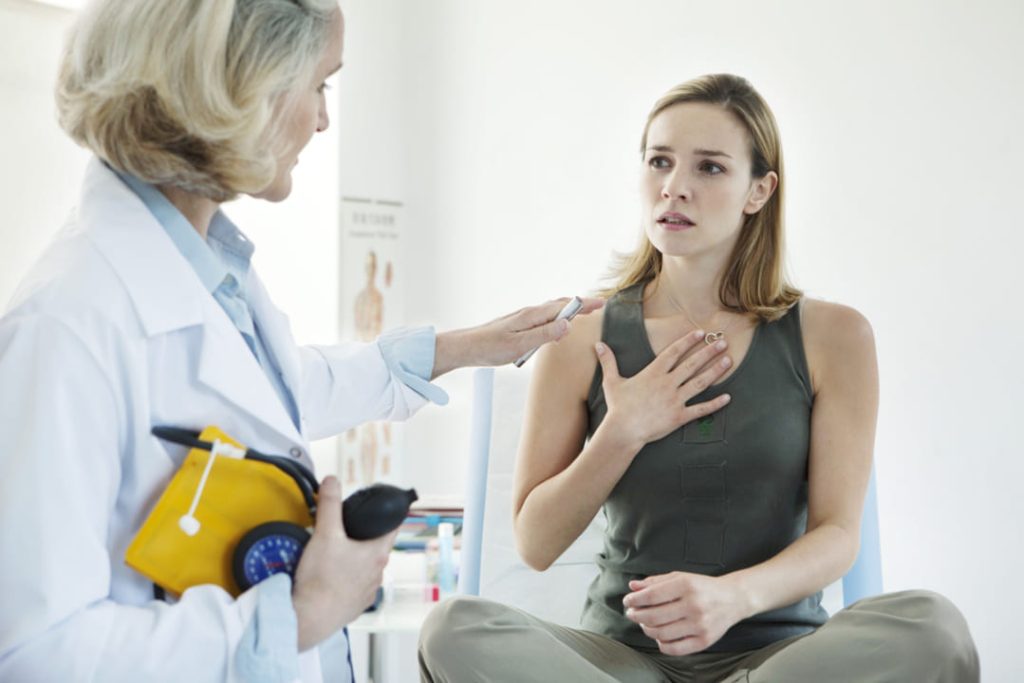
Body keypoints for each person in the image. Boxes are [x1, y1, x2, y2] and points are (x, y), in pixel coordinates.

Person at [0, 1, 600, 681]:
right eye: (320, 85)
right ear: (240, 87)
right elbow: (31, 651)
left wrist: (463, 346)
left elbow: (270, 395)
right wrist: (297, 616)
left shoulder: (207, 266)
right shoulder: (66, 326)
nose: (323, 118)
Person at [418, 74, 980, 682]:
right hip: (620, 664)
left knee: (932, 626)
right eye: (659, 161)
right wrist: (623, 430)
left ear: (758, 191)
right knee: (454, 629)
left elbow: (838, 534)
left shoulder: (836, 337)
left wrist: (731, 598)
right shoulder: (580, 335)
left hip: (779, 662)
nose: (674, 187)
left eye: (709, 168)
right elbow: (536, 543)